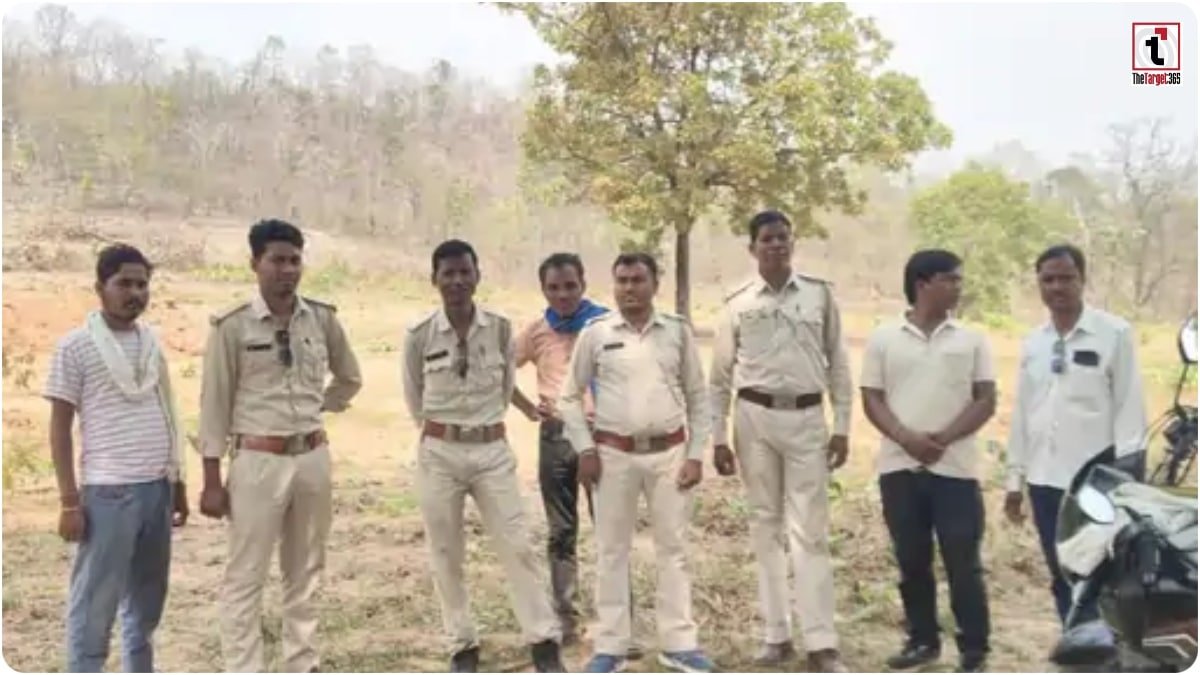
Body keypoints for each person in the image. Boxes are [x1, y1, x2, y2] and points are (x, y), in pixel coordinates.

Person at [197, 219, 363, 673]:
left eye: (294, 260)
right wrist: (211, 478)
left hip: (311, 457)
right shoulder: (232, 325)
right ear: (255, 263)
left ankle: (301, 663)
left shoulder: (321, 318)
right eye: (277, 260)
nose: (287, 270)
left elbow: (350, 377)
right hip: (257, 460)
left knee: (305, 570)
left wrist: (316, 407)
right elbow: (214, 404)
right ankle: (243, 667)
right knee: (245, 574)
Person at [402, 239, 564, 673]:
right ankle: (462, 644)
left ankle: (543, 641)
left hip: (492, 451)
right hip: (440, 453)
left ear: (477, 276)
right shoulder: (419, 335)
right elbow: (415, 397)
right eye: (448, 273)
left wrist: (518, 414)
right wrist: (443, 434)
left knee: (517, 544)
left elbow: (505, 384)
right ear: (434, 279)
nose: (457, 281)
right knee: (446, 550)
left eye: (465, 272)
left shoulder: (499, 328)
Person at [708, 210, 852, 673]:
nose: (776, 245)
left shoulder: (819, 295)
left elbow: (839, 364)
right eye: (767, 239)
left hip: (807, 418)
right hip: (754, 420)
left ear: (793, 243)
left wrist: (843, 425)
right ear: (752, 248)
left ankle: (821, 643)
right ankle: (776, 635)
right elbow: (719, 377)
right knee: (764, 527)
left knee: (809, 532)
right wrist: (718, 437)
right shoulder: (737, 303)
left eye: (783, 237)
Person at [559, 252, 715, 674]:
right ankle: (611, 647)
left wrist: (696, 454)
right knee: (611, 551)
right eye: (622, 280)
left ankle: (679, 644)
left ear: (655, 284)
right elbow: (569, 396)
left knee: (673, 549)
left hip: (670, 454)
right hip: (613, 456)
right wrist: (585, 449)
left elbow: (698, 398)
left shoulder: (677, 332)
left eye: (638, 279)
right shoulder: (596, 333)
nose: (629, 288)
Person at [44, 244, 189, 673]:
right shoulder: (76, 347)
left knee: (146, 607)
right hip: (109, 494)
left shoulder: (151, 343)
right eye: (124, 283)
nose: (135, 293)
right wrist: (69, 502)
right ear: (100, 287)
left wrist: (178, 484)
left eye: (142, 284)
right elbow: (59, 429)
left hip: (157, 490)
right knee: (95, 605)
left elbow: (168, 411)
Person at [860, 249, 995, 672]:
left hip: (956, 469)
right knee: (912, 560)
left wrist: (943, 439)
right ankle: (922, 641)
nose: (958, 287)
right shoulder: (884, 338)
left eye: (958, 280)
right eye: (950, 279)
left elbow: (986, 399)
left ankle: (974, 649)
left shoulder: (972, 339)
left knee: (963, 562)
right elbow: (872, 397)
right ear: (922, 284)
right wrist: (907, 439)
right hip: (899, 468)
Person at [1005, 244, 1147, 633]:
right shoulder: (1034, 342)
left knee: (1099, 569)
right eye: (1048, 279)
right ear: (1039, 284)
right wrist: (1015, 479)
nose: (1057, 287)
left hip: (1095, 481)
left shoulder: (1113, 334)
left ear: (1082, 280)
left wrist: (1128, 479)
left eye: (1066, 278)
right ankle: (1077, 640)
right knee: (1059, 568)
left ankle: (1104, 645)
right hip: (1043, 479)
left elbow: (1129, 408)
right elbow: (1023, 413)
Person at [510, 252, 610, 644]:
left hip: (600, 434)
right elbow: (500, 370)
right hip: (555, 434)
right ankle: (566, 616)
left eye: (570, 286)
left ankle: (617, 617)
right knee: (561, 530)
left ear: (583, 284)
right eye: (553, 287)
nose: (563, 294)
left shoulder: (604, 325)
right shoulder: (537, 331)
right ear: (543, 289)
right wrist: (526, 407)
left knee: (610, 528)